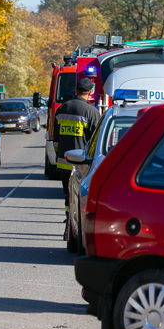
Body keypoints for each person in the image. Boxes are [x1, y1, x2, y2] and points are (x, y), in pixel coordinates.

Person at [53, 77, 101, 228]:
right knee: (80, 197)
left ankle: (68, 220)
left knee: (68, 196)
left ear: (75, 90)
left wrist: (60, 155)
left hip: (63, 162)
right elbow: (96, 142)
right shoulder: (92, 112)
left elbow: (55, 139)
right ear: (90, 92)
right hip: (82, 165)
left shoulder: (61, 109)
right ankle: (76, 225)